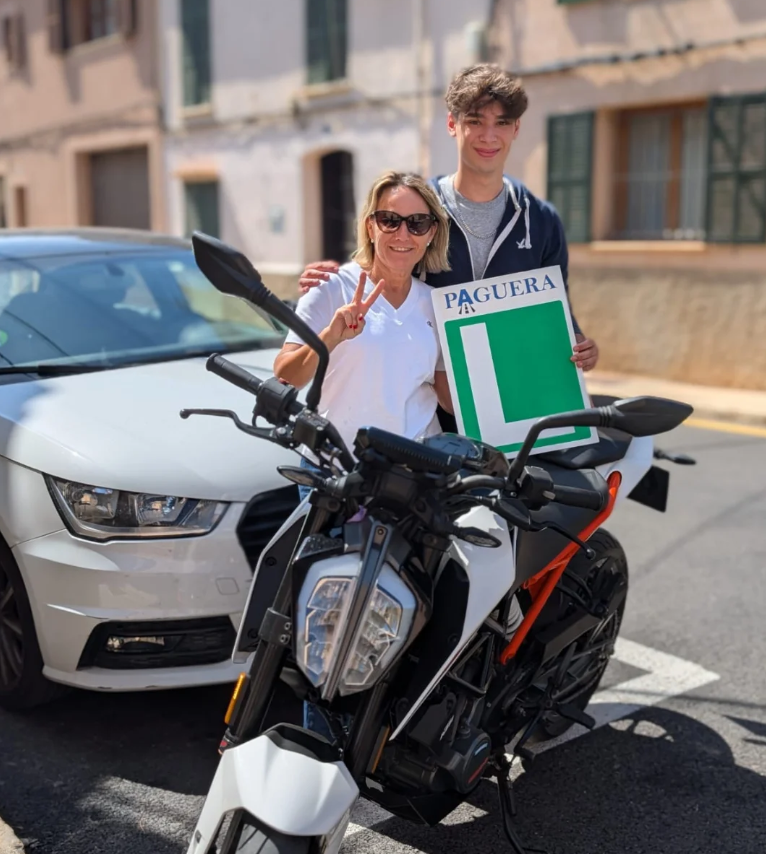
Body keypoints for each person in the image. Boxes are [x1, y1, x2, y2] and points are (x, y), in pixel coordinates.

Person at [298, 64, 599, 431]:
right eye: (475, 120)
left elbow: (558, 313)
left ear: (516, 129)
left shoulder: (542, 219)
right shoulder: (418, 209)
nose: (489, 135)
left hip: (514, 414)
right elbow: (377, 265)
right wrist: (330, 283)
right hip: (432, 424)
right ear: (452, 124)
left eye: (502, 122)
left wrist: (581, 346)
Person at [274, 170, 454, 503]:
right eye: (389, 220)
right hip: (334, 473)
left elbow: (449, 401)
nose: (403, 233)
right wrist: (331, 335)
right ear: (371, 227)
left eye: (417, 223)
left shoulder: (438, 303)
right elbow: (286, 375)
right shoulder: (330, 287)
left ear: (431, 233)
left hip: (414, 479)